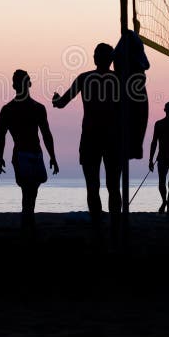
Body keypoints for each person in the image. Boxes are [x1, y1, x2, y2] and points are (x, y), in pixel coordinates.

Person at [53, 43, 121, 241]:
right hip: (111, 138)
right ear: (110, 60)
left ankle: (99, 229)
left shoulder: (85, 78)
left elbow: (61, 103)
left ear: (97, 58)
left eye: (95, 54)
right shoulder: (119, 79)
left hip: (92, 137)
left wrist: (56, 98)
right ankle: (114, 228)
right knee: (113, 186)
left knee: (93, 186)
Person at [0, 70, 59, 236]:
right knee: (28, 192)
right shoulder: (9, 109)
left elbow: (46, 134)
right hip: (22, 154)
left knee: (31, 192)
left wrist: (52, 156)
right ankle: (28, 225)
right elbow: (1, 136)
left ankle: (28, 223)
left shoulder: (34, 108)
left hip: (34, 154)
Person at [114, 29, 150, 160]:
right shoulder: (128, 57)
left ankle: (133, 149)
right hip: (131, 94)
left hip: (133, 94)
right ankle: (132, 149)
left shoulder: (133, 58)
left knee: (136, 127)